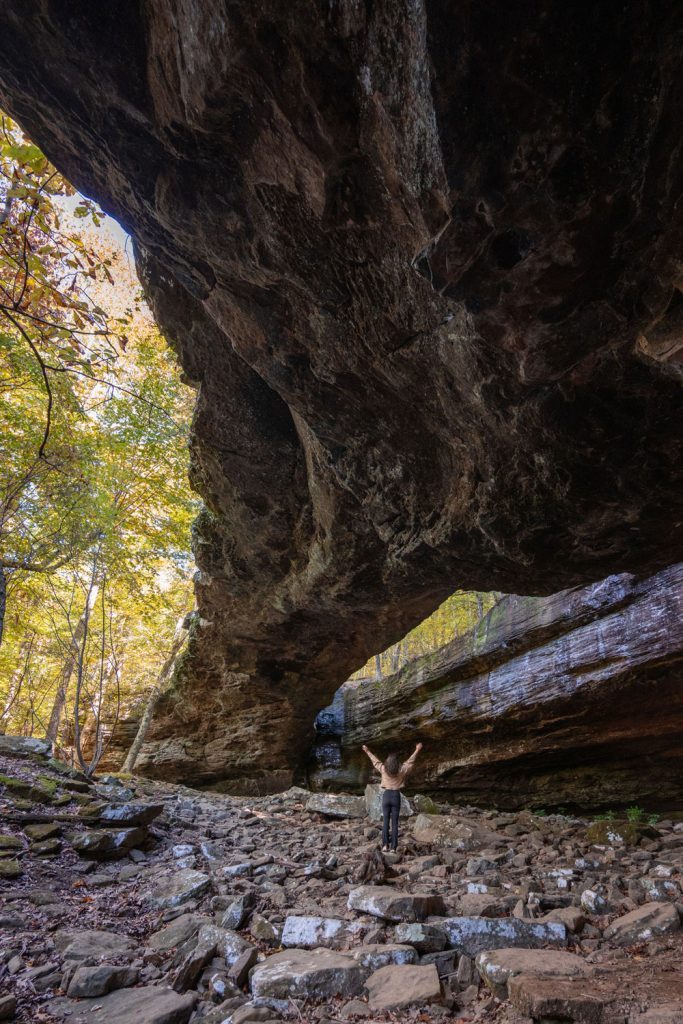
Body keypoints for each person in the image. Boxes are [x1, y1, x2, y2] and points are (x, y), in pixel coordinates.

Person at [362, 741, 423, 852]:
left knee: (385, 822)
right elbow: (410, 762)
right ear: (397, 763)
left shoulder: (384, 769)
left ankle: (385, 845)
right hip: (396, 795)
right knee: (394, 823)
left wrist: (367, 751)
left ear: (388, 762)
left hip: (386, 796)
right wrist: (417, 750)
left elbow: (375, 761)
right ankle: (393, 848)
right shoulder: (401, 770)